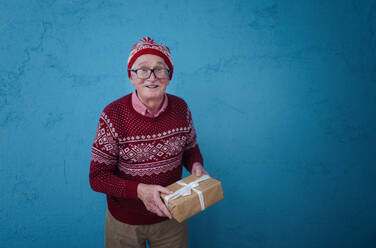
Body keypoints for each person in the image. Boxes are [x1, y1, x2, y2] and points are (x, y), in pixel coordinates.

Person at [89, 37, 208, 248]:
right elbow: (98, 178)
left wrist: (195, 165)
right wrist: (140, 191)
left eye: (160, 69)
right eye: (142, 70)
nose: (151, 77)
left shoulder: (181, 108)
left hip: (172, 216)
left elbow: (190, 148)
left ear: (169, 77)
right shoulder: (113, 115)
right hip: (124, 223)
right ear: (131, 77)